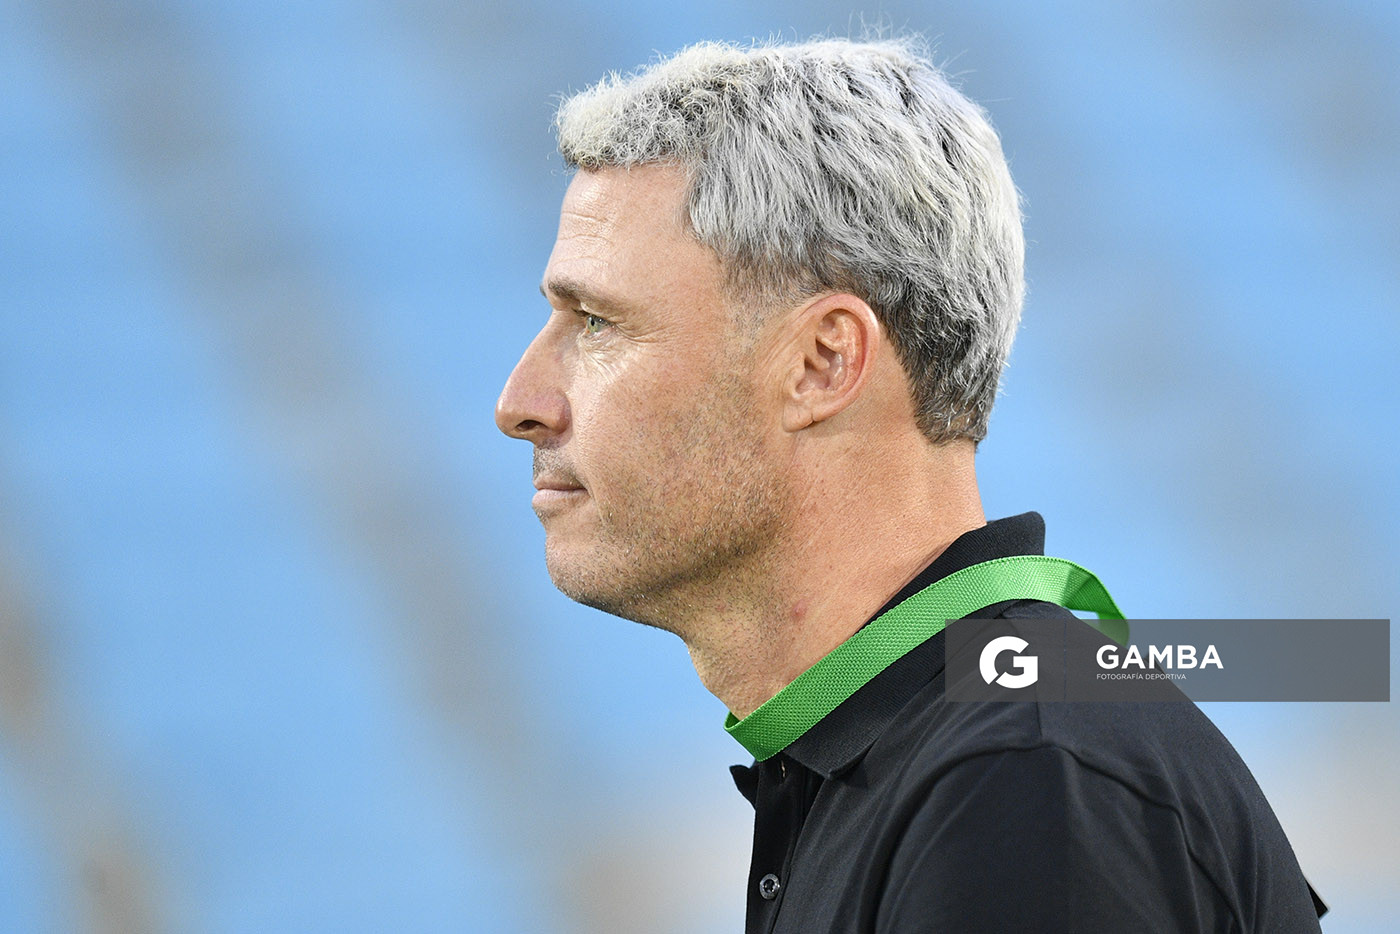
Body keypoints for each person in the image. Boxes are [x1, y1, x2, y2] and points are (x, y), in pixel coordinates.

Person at [494, 37, 1325, 933]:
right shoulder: (944, 759)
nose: (520, 403)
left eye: (598, 322)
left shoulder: (1025, 782)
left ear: (821, 362)